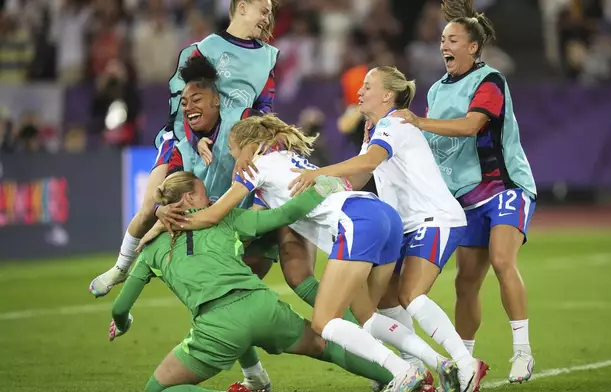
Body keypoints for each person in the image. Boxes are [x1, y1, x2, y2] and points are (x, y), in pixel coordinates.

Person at [288, 66, 488, 392]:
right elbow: (360, 178)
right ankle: (413, 369)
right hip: (407, 225)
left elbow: (366, 165)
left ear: (386, 95)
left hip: (434, 218)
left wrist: (318, 172)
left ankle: (466, 365)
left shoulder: (394, 123)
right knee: (386, 301)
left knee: (410, 294)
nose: (360, 91)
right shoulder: (376, 130)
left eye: (368, 86)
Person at [109, 171, 395, 392]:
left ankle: (253, 380)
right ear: (189, 199)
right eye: (204, 195)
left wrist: (124, 323)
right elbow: (285, 214)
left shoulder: (151, 247)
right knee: (325, 346)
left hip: (216, 328)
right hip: (262, 307)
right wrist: (325, 187)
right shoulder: (227, 219)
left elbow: (120, 308)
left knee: (158, 389)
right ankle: (403, 379)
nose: (211, 202)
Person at [90, 0, 279, 299]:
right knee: (152, 206)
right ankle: (121, 266)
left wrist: (243, 139)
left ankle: (224, 291)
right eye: (263, 10)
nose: (268, 17)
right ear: (242, 7)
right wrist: (195, 138)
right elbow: (179, 106)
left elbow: (264, 109)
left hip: (231, 142)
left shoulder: (268, 58)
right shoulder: (201, 50)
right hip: (184, 138)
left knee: (215, 215)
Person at [390, 0, 537, 383]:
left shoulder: (490, 80)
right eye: (442, 39)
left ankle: (522, 351)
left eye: (452, 39)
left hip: (505, 187)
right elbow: (435, 145)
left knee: (503, 261)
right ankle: (465, 365)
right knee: (466, 281)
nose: (444, 45)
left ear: (473, 47)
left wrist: (419, 122)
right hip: (465, 198)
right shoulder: (437, 89)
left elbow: (471, 126)